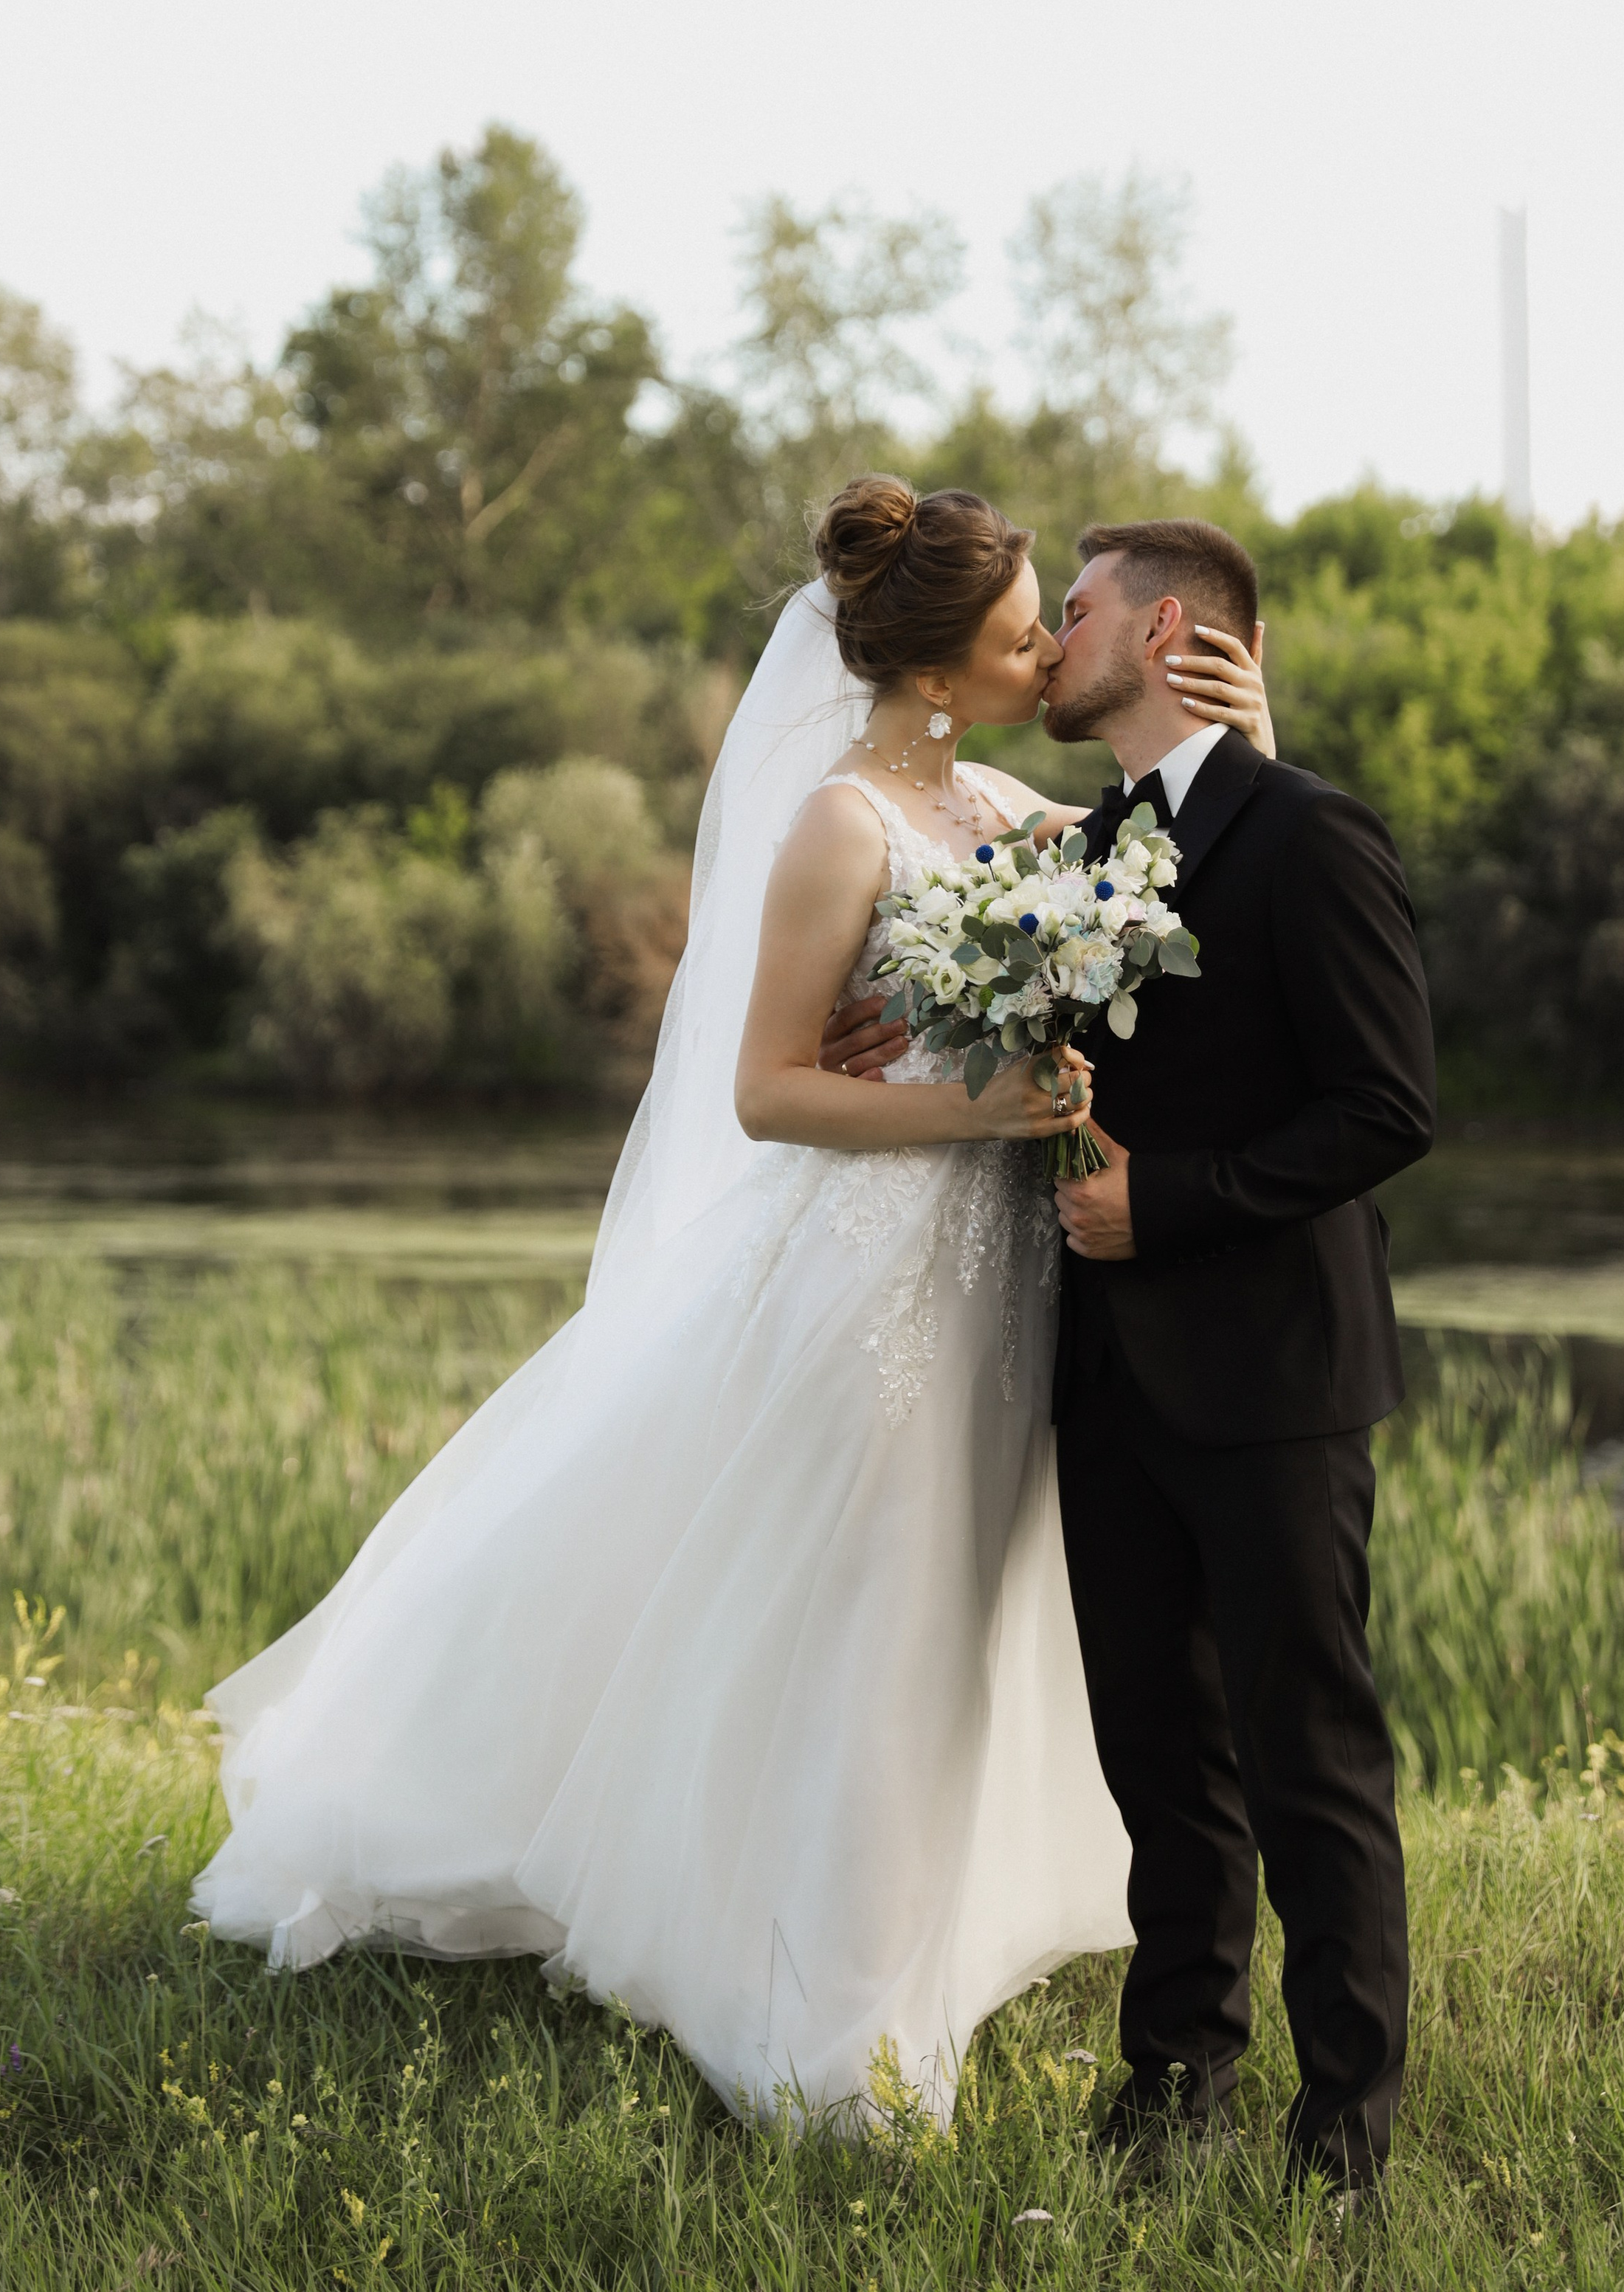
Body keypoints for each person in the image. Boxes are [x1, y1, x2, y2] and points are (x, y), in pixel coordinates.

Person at [191, 477, 1274, 2130]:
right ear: (933, 665)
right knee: (872, 1624)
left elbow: (1196, 869)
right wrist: (966, 1107)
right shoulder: (842, 825)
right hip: (871, 1276)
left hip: (1002, 1283)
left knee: (956, 1620)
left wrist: (1246, 734)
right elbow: (769, 1088)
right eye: (1017, 626)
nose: (1045, 644)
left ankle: (902, 1935)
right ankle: (834, 2026)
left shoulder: (998, 802)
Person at [827, 513, 1433, 2203]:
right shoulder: (1079, 844)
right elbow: (996, 991)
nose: (1045, 640)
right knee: (1158, 1757)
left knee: (1305, 1755)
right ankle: (1172, 2082)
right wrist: (908, 1016)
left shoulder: (1310, 835)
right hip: (1102, 1380)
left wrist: (1161, 1206)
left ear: (1160, 631)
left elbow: (1385, 1109)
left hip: (1271, 1375)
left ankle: (1344, 2134)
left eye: (1071, 611)